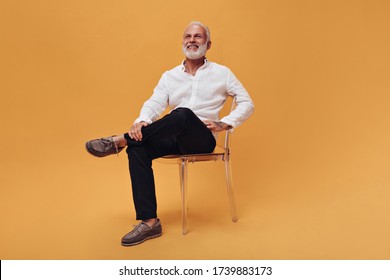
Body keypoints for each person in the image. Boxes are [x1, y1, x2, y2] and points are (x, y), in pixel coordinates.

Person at [85, 21, 254, 246]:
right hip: (172, 138)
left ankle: (120, 140)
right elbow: (154, 102)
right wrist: (141, 121)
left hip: (201, 139)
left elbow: (247, 102)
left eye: (198, 36)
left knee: (183, 114)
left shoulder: (222, 73)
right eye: (188, 36)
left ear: (208, 44)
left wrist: (225, 123)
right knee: (138, 148)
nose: (192, 40)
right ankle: (150, 222)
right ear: (183, 41)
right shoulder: (169, 76)